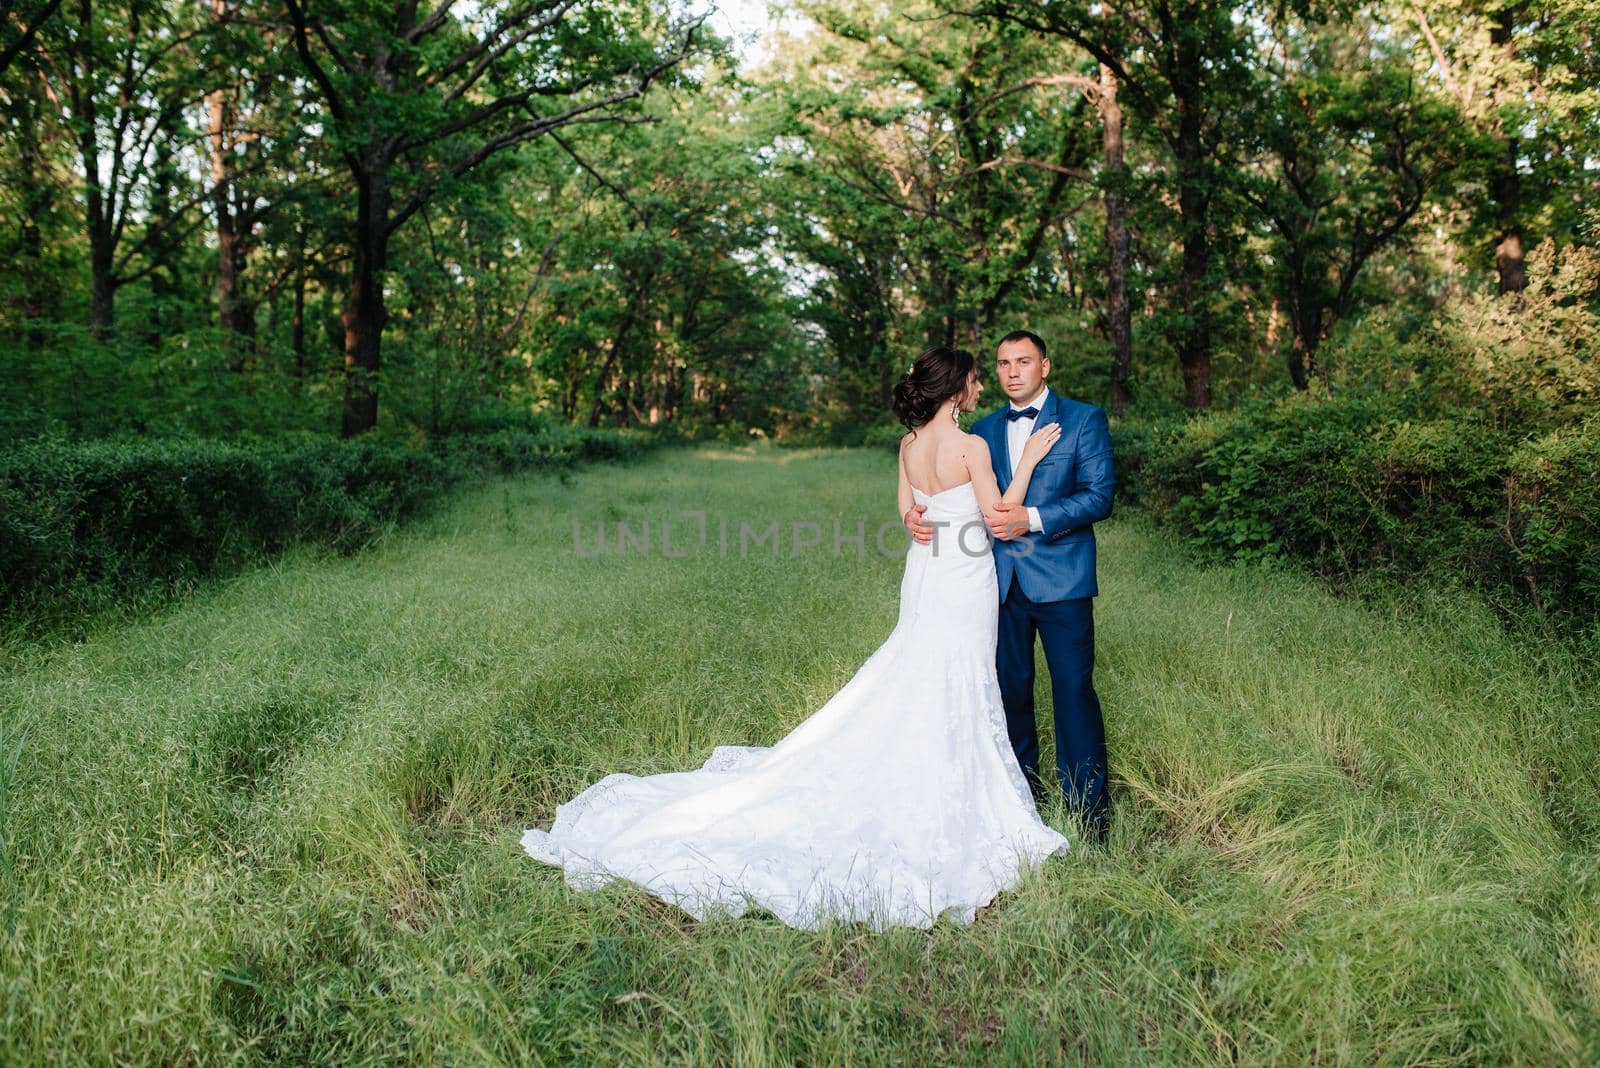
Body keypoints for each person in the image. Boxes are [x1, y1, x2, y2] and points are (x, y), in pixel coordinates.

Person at [522, 346, 1070, 930]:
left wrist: (922, 520)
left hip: (926, 575)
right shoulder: (972, 447)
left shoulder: (909, 446)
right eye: (977, 379)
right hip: (963, 581)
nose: (983, 387)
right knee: (955, 676)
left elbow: (907, 513)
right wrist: (1031, 461)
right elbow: (997, 518)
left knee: (917, 668)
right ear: (957, 387)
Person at [906, 330, 1115, 841]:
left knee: (1073, 691)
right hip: (993, 583)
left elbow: (1099, 496)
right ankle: (1022, 801)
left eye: (1024, 361)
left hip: (1063, 580)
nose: (1012, 371)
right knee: (1007, 693)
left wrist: (1035, 518)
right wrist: (916, 513)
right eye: (1002, 363)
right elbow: (963, 497)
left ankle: (1087, 815)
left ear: (1045, 366)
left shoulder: (1084, 419)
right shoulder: (982, 430)